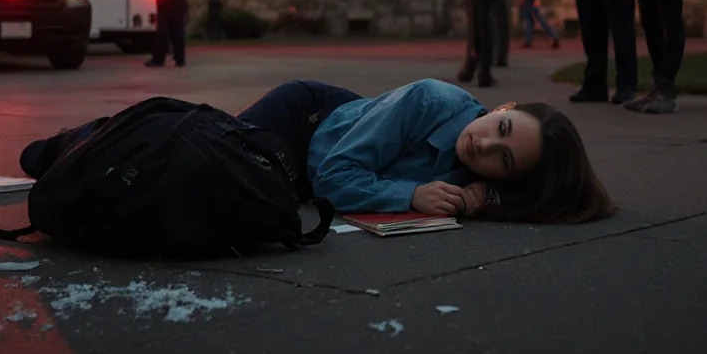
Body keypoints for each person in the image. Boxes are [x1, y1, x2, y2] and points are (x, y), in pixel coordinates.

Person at [237, 78, 617, 223]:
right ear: (504, 108)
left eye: (504, 159)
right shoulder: (430, 100)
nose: (484, 144)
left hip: (309, 176)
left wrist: (489, 200)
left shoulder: (481, 183)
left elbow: (533, 198)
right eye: (502, 128)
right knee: (216, 161)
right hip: (305, 123)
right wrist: (412, 195)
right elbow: (333, 177)